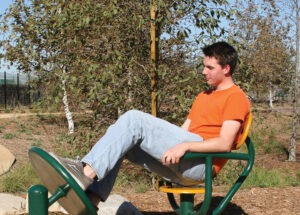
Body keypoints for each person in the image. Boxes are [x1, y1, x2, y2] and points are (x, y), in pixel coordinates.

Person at [51, 41, 250, 206]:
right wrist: (176, 146)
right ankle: (91, 199)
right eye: (203, 66)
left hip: (202, 165)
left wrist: (185, 145)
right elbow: (184, 131)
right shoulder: (203, 96)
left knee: (134, 119)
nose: (203, 71)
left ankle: (85, 173)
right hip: (185, 161)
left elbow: (224, 143)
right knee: (122, 142)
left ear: (226, 68)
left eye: (209, 67)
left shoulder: (236, 97)